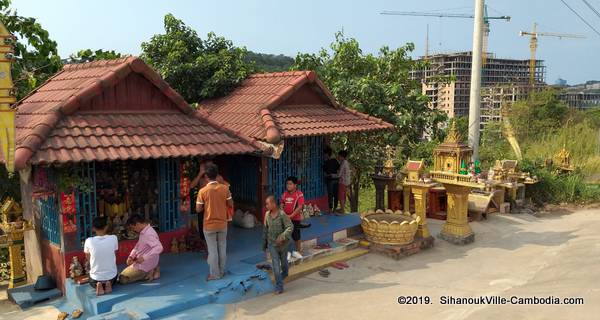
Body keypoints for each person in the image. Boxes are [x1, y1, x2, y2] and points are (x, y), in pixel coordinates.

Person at [196, 163, 233, 281]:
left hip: (209, 225)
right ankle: (221, 272)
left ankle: (215, 275)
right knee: (222, 248)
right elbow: (230, 204)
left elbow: (198, 209)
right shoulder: (225, 188)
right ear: (217, 175)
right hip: (222, 224)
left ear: (206, 176)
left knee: (212, 251)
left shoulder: (203, 191)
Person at [262, 195, 293, 295]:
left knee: (284, 264)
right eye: (266, 204)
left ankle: (284, 274)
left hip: (283, 245)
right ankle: (279, 286)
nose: (266, 206)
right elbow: (265, 230)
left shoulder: (282, 214)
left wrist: (283, 236)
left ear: (274, 204)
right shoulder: (267, 215)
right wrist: (264, 244)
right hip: (272, 245)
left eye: (268, 204)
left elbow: (290, 227)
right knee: (275, 265)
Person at [120, 214, 163, 284]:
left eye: (133, 228)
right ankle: (153, 269)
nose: (133, 230)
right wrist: (131, 256)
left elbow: (159, 247)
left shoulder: (149, 233)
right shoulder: (144, 231)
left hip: (145, 264)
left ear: (137, 224)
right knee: (122, 275)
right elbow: (138, 245)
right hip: (140, 262)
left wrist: (144, 258)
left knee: (122, 279)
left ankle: (149, 272)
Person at [84, 216, 118, 296]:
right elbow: (114, 254)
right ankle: (108, 284)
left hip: (95, 278)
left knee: (91, 278)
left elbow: (88, 257)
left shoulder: (89, 241)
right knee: (113, 276)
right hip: (112, 277)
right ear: (106, 227)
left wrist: (92, 262)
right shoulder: (114, 238)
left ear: (93, 228)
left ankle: (98, 285)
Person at [280, 176, 304, 260]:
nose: (288, 186)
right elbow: (282, 204)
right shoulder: (285, 194)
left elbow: (299, 207)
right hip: (285, 219)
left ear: (295, 185)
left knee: (296, 235)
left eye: (290, 184)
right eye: (287, 184)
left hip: (295, 219)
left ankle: (299, 251)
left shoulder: (299, 194)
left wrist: (291, 215)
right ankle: (285, 252)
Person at [323, 147, 340, 213]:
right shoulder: (335, 161)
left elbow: (325, 174)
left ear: (327, 154)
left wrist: (329, 175)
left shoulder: (326, 162)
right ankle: (334, 209)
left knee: (330, 195)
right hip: (336, 180)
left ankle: (330, 209)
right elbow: (338, 170)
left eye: (325, 154)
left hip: (330, 180)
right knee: (335, 194)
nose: (324, 155)